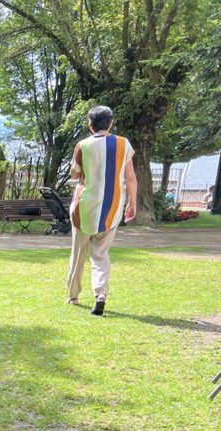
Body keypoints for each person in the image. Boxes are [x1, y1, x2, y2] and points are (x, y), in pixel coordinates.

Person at [66, 105, 137, 316]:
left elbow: (75, 174)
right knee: (101, 254)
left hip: (84, 207)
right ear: (111, 123)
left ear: (90, 125)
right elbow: (130, 177)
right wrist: (132, 203)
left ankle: (73, 295)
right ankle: (101, 294)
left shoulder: (82, 146)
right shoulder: (124, 144)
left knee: (78, 253)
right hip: (112, 208)